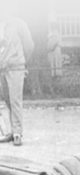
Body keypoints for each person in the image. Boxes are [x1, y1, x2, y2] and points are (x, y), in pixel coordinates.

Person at [0, 10, 34, 146]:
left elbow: (29, 45)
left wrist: (22, 61)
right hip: (2, 67)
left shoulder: (19, 24)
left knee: (15, 100)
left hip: (16, 67)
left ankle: (18, 133)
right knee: (7, 100)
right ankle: (11, 131)